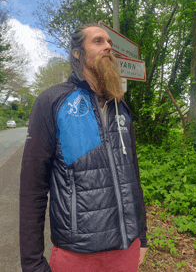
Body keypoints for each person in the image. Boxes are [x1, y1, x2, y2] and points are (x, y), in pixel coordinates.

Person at [19, 23, 147, 272]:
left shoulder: (121, 107)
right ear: (78, 53)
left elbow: (134, 178)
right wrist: (32, 263)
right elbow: (32, 190)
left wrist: (142, 237)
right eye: (98, 41)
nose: (109, 47)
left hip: (126, 250)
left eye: (109, 42)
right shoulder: (52, 101)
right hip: (76, 256)